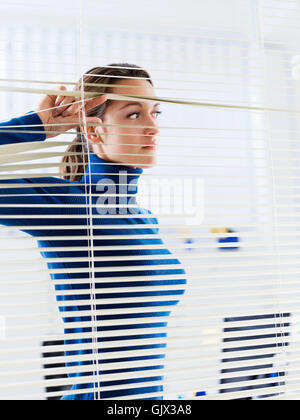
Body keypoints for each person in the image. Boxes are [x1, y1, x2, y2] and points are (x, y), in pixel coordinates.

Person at [0, 64, 187, 400]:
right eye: (133, 114)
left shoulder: (144, 219)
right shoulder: (69, 208)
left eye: (155, 112)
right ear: (95, 132)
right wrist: (37, 126)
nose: (153, 128)